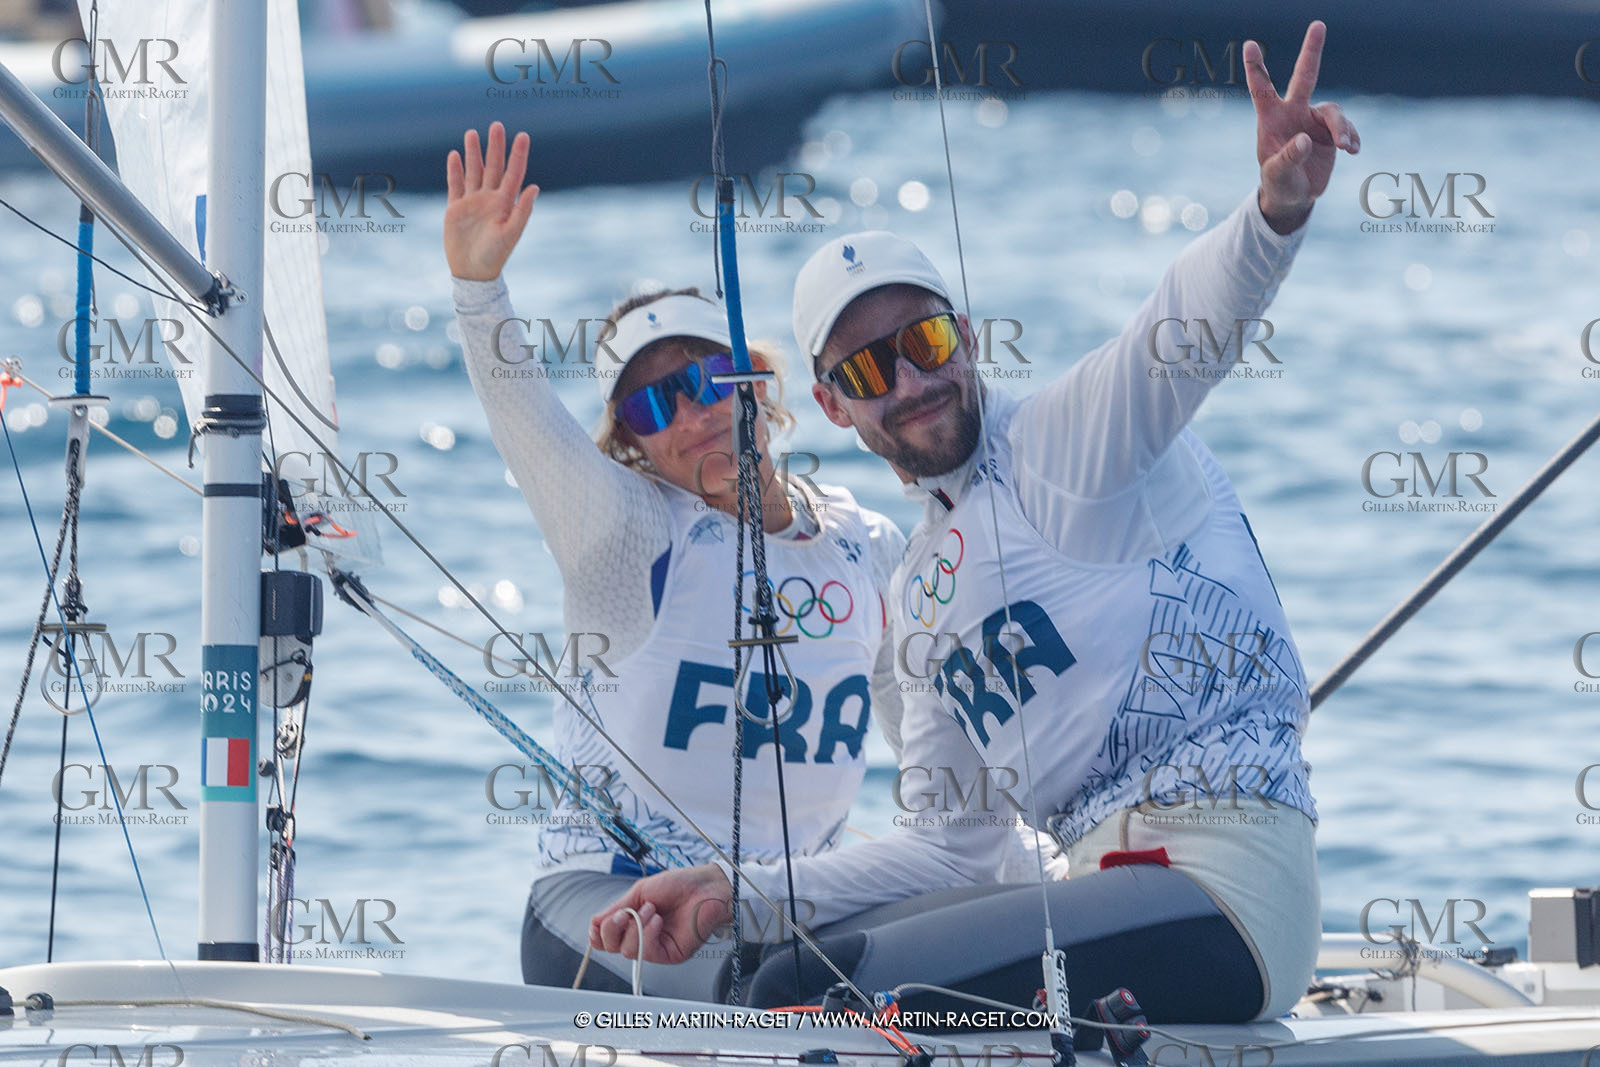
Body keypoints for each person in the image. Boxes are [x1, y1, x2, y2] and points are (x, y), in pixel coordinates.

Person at [590, 23, 1359, 1025]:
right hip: (1108, 896)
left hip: (1226, 894)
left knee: (799, 995)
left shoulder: (1070, 441)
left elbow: (1181, 331)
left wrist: (1273, 210)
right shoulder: (916, 599)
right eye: (868, 369)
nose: (908, 381)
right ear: (831, 406)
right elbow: (949, 843)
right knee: (772, 967)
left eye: (926, 339)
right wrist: (735, 886)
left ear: (967, 335)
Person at [444, 122, 908, 999]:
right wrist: (479, 290)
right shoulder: (629, 537)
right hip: (609, 910)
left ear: (761, 386)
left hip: (781, 908)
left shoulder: (870, 547)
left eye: (708, 378)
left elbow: (932, 761)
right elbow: (527, 423)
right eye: (654, 404)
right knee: (801, 987)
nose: (690, 412)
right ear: (631, 448)